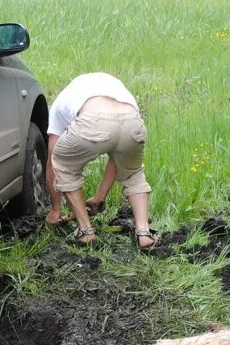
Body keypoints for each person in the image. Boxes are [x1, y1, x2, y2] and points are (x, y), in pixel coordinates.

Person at [44, 73, 155, 249]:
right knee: (133, 173)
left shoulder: (59, 107)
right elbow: (116, 159)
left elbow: (52, 164)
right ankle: (144, 233)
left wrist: (56, 210)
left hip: (93, 117)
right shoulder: (113, 86)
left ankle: (86, 231)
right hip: (132, 120)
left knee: (63, 164)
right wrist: (99, 197)